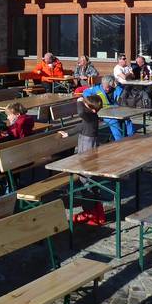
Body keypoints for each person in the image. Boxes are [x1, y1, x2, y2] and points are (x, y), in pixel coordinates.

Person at [59, 94, 106, 226]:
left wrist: (79, 101)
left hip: (87, 152)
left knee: (86, 181)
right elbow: (81, 126)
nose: (83, 107)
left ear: (92, 109)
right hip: (88, 150)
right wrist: (68, 133)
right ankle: (99, 213)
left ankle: (90, 213)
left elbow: (80, 113)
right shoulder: (92, 117)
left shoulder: (90, 116)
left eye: (85, 105)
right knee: (90, 181)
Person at [83, 75, 132, 140]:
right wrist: (94, 101)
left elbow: (122, 94)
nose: (108, 89)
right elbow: (85, 92)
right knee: (113, 121)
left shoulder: (117, 88)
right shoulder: (97, 89)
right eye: (106, 87)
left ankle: (132, 136)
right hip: (103, 112)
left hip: (116, 109)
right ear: (102, 84)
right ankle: (119, 140)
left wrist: (117, 86)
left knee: (127, 119)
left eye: (109, 87)